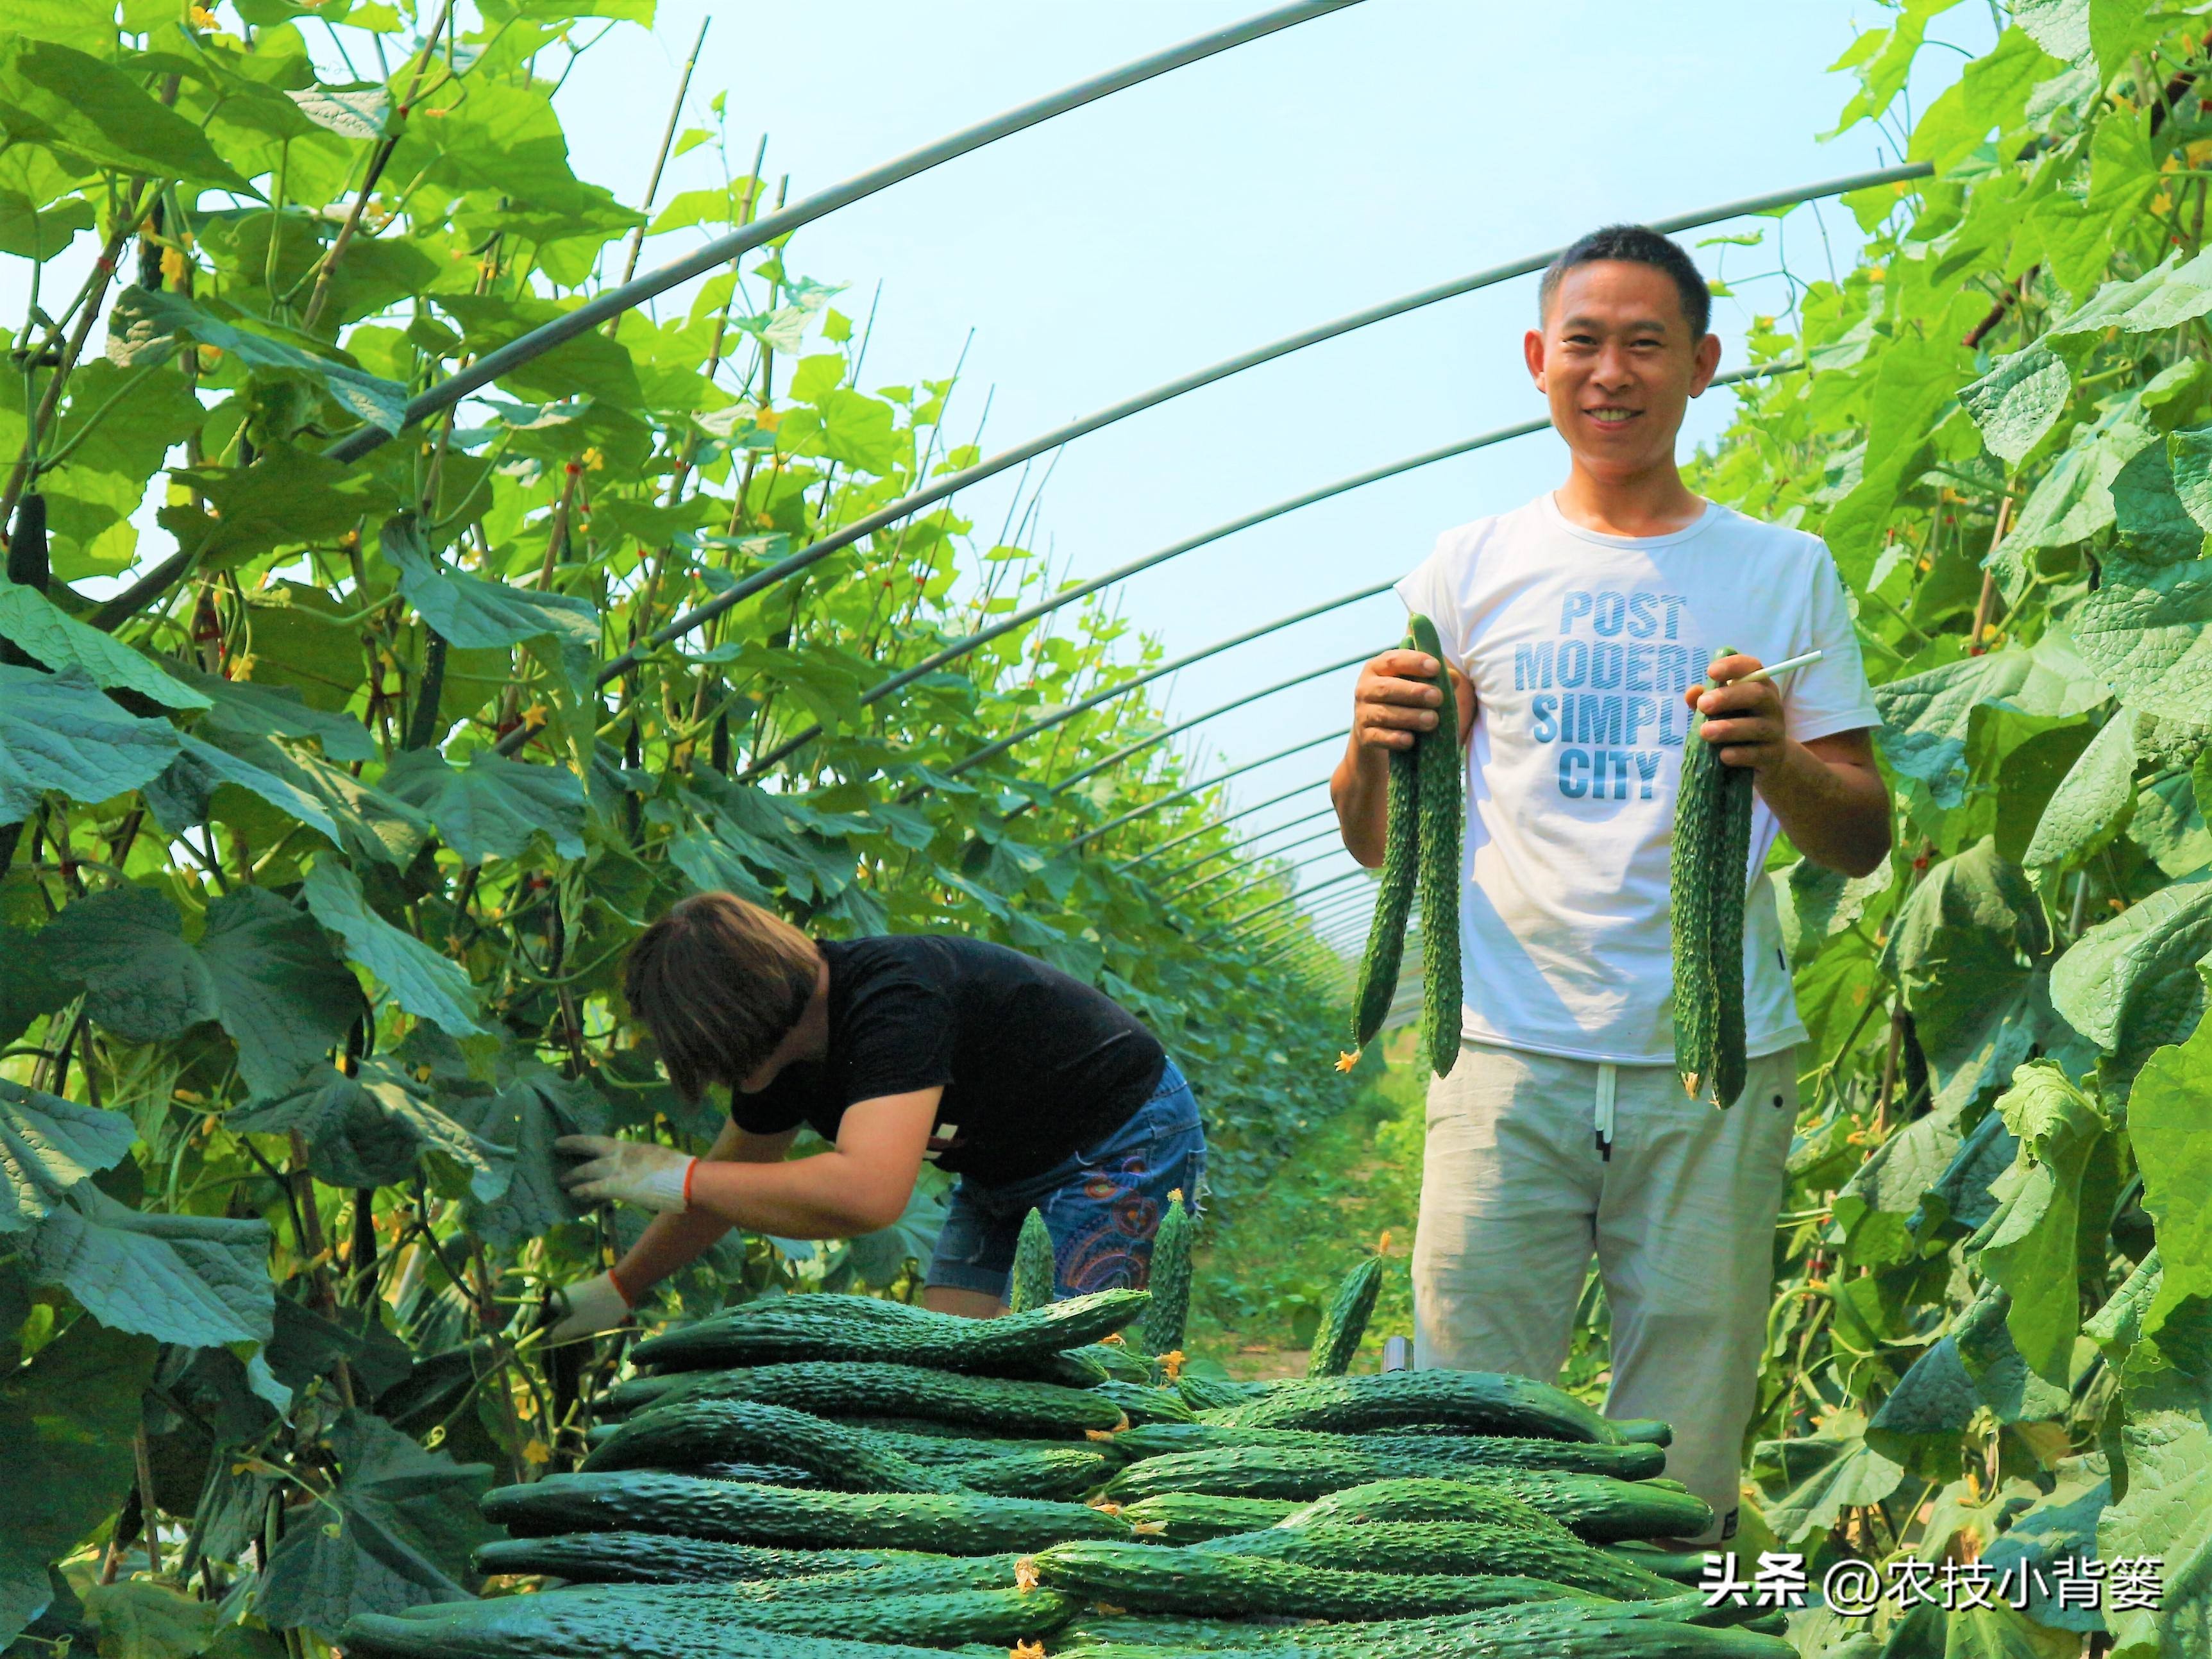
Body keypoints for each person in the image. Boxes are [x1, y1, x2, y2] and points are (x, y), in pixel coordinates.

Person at [1331, 224, 1889, 1542]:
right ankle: (1481, 1627)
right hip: (1498, 1056)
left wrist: (1773, 766)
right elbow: (1373, 843)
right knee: (1465, 1421)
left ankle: (1652, 1630)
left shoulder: (1780, 569)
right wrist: (1369, 737)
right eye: (1582, 341)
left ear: (1700, 364)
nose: (1610, 370)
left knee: (1681, 1447)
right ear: (1536, 361)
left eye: (1645, 343)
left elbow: (1858, 834)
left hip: (1710, 1061)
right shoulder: (1461, 569)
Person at [543, 892, 1206, 1340]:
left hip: (1122, 1135)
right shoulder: (780, 1055)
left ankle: (1108, 1532)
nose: (715, 1070)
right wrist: (619, 1287)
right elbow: (725, 1188)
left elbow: (867, 1192)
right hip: (1002, 1169)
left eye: (711, 1048)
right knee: (953, 1361)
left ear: (747, 1011)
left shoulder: (894, 999)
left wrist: (678, 1176)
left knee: (1071, 1366)